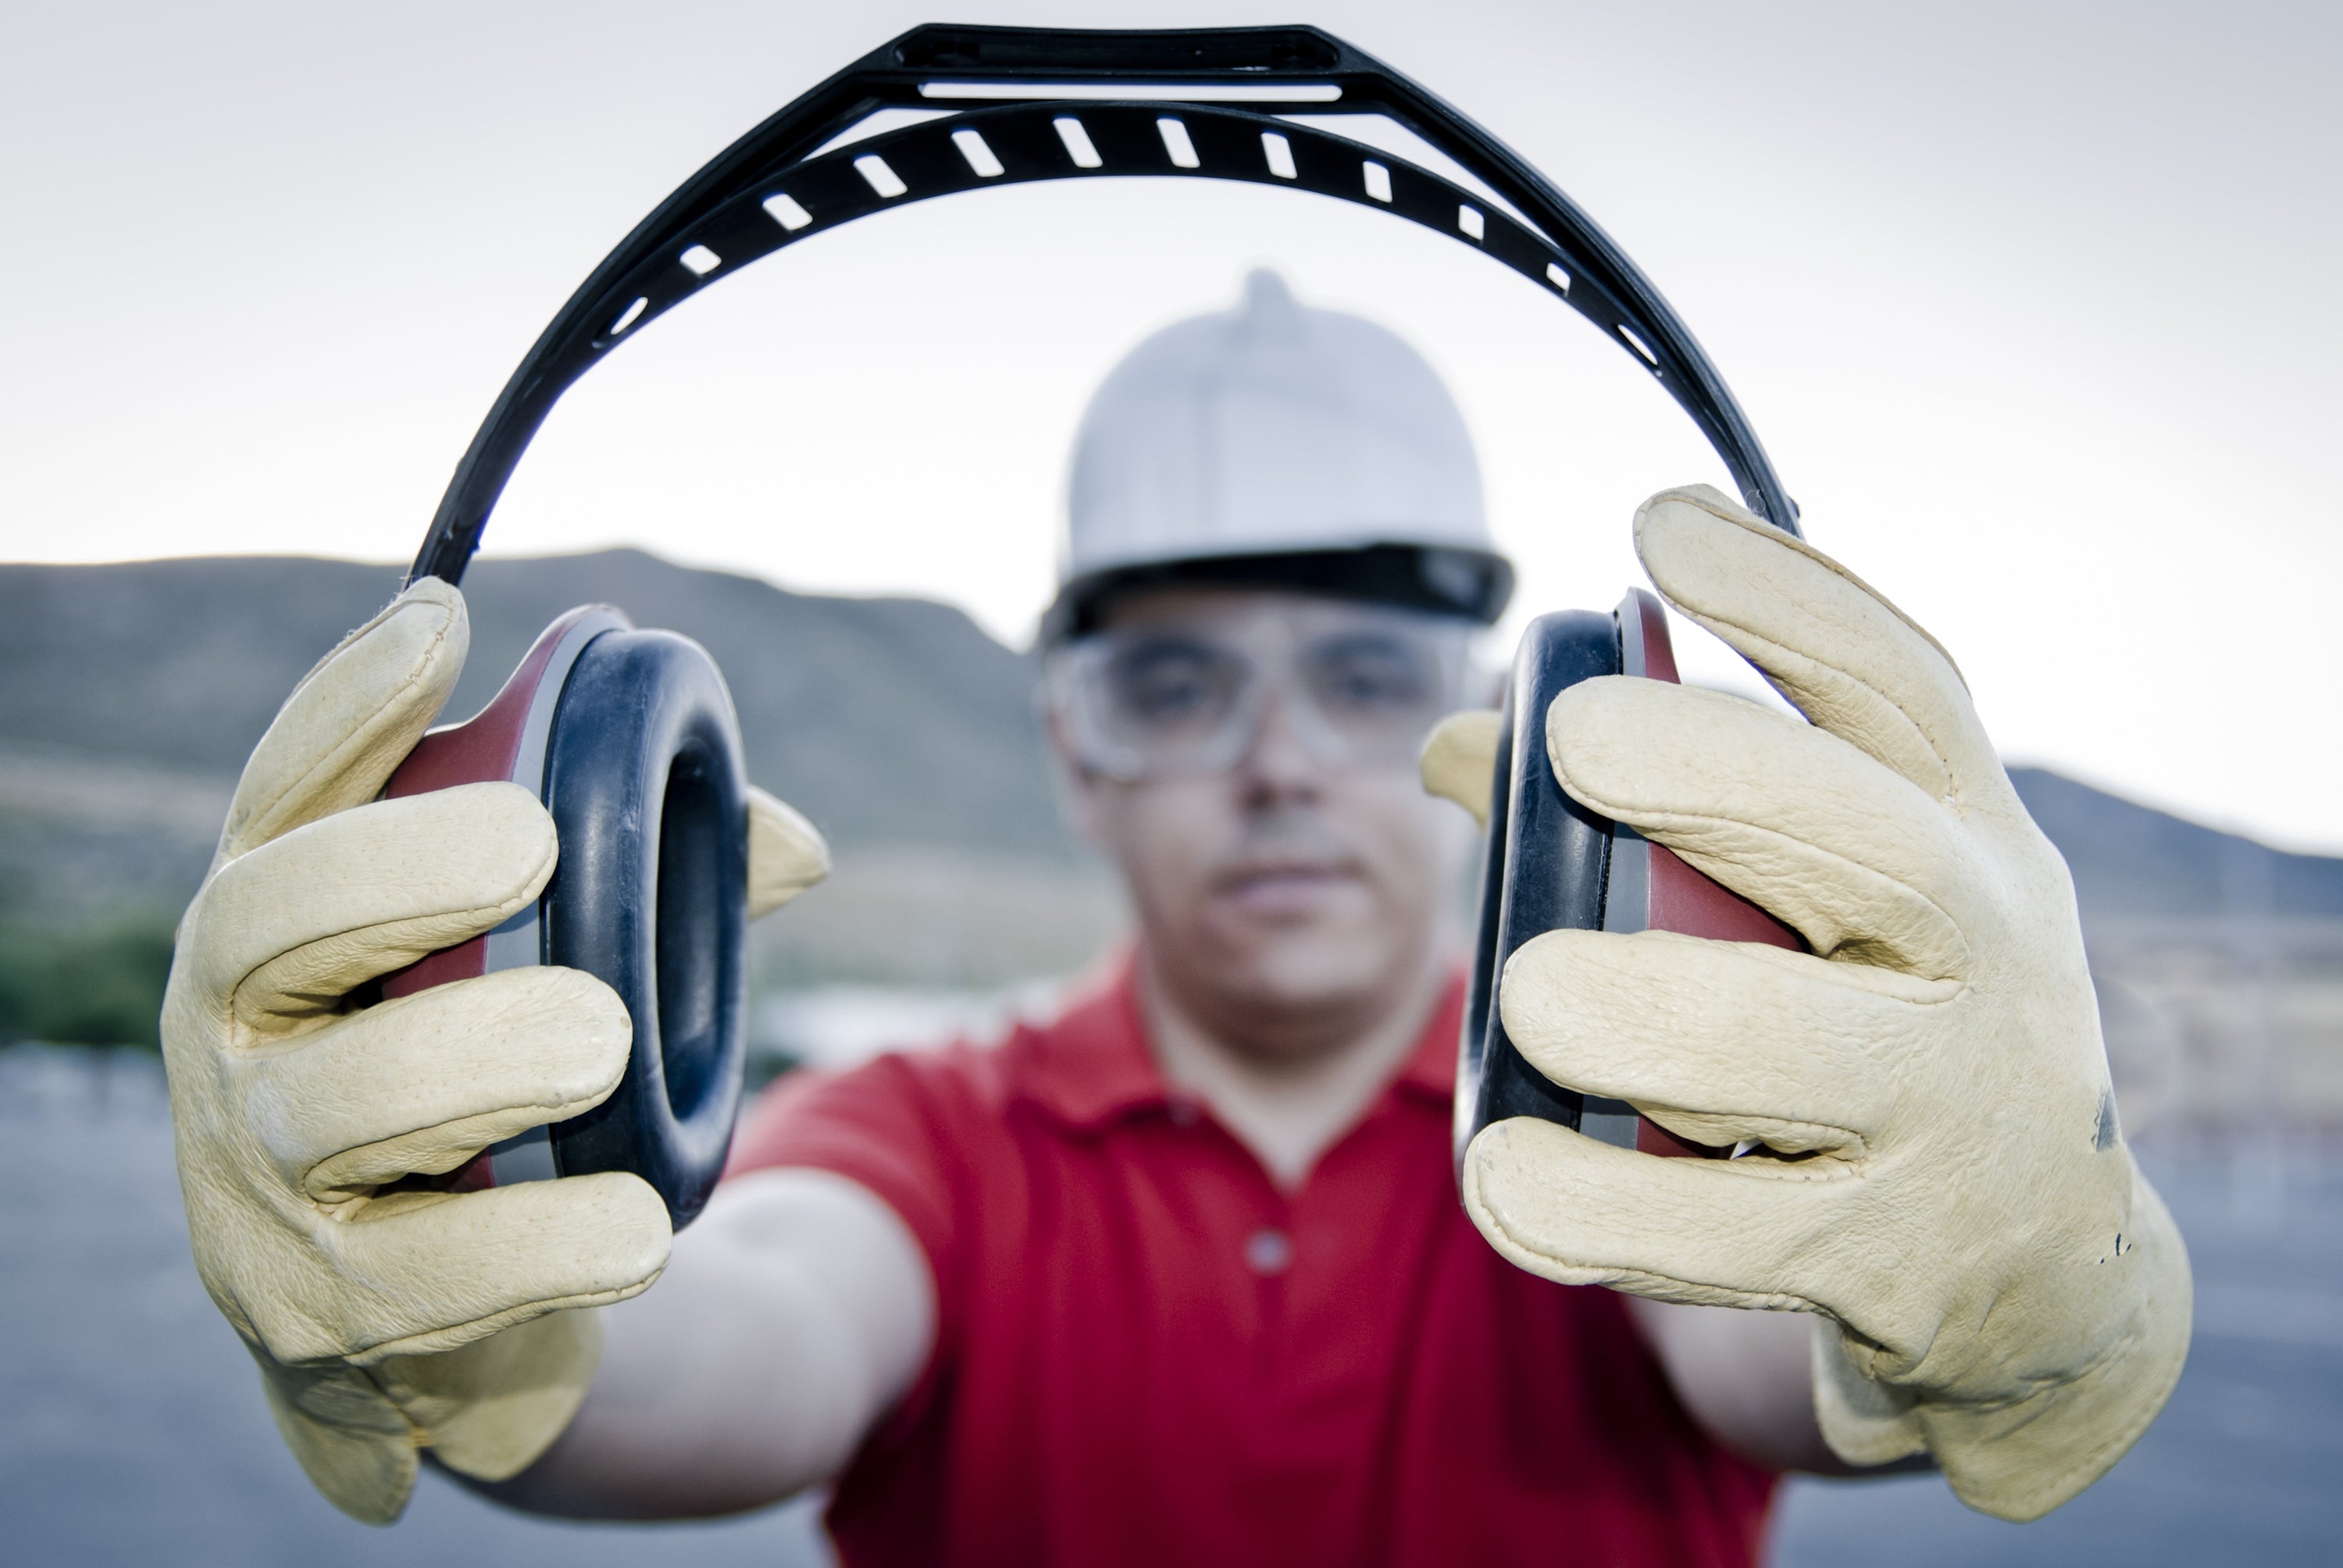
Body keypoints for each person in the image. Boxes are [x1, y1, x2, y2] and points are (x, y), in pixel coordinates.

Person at [159, 272, 2191, 1565]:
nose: (1283, 760)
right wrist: (501, 1339)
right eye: (1174, 683)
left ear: (1512, 742)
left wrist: (1977, 1325)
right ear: (1072, 752)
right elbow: (739, 1344)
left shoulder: (1641, 1142)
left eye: (1368, 673)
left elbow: (1763, 1351)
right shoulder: (929, 1141)